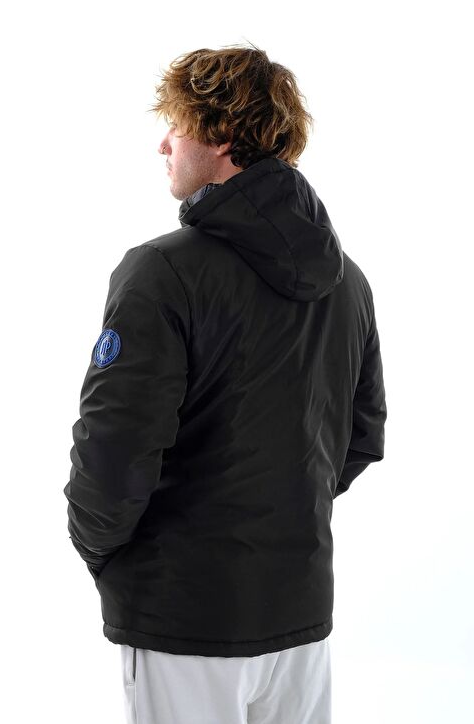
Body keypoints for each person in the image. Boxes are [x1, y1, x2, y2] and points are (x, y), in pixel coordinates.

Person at [63, 41, 387, 724]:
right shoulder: (347, 282)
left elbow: (114, 453)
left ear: (219, 135)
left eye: (176, 125)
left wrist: (109, 557)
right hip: (299, 618)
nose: (163, 144)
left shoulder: (161, 272)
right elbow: (359, 437)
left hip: (184, 618)